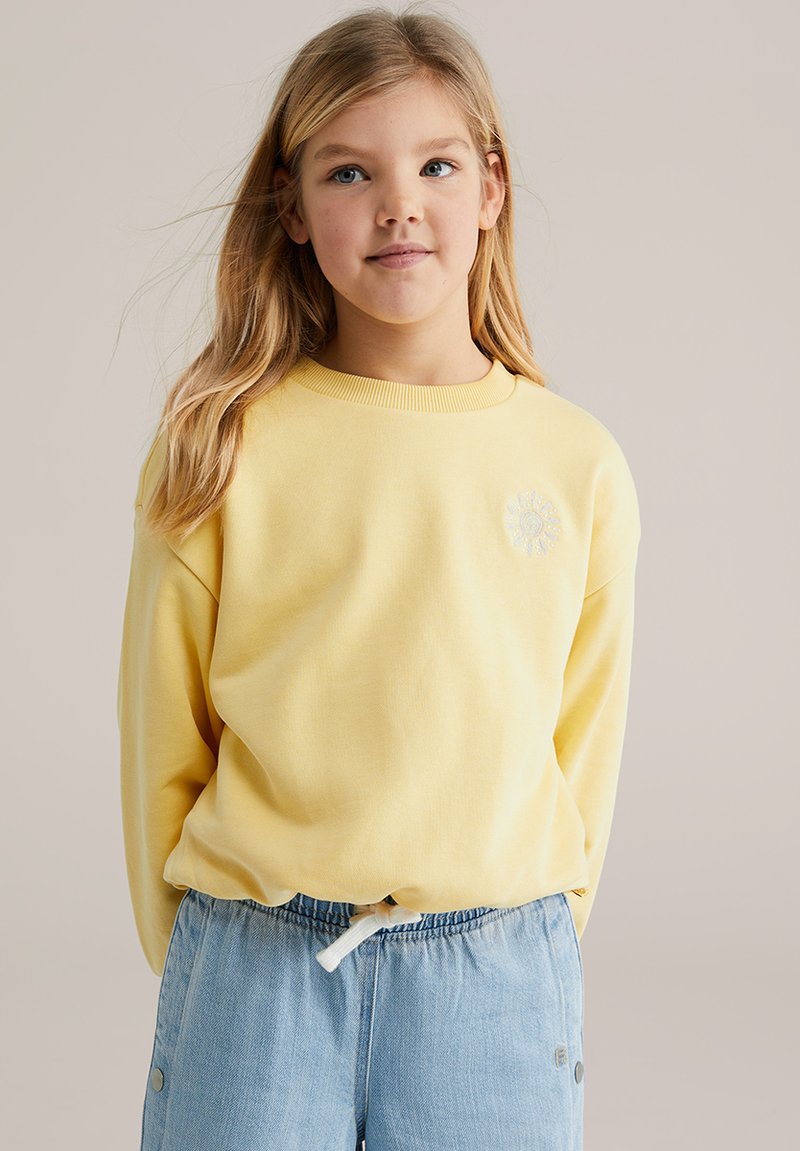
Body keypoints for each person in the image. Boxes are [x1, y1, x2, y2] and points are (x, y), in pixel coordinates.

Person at [117, 5, 641, 1149]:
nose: (398, 203)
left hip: (494, 979)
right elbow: (164, 731)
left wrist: (526, 938)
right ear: (292, 209)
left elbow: (580, 745)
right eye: (348, 172)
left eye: (435, 165)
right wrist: (204, 954)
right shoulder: (223, 444)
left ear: (491, 187)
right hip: (256, 967)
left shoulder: (575, 463)